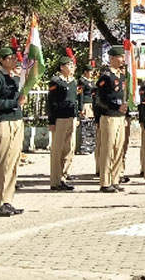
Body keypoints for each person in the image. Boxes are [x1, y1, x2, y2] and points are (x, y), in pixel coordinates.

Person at [0, 47, 25, 217]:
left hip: (16, 121)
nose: (13, 61)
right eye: (9, 58)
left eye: (14, 58)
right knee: (0, 163)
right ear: (1, 60)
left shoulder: (15, 78)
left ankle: (7, 199)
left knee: (13, 162)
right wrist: (14, 103)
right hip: (3, 122)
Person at [96, 46, 128, 192]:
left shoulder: (121, 76)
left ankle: (115, 179)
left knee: (118, 149)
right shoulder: (106, 76)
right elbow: (101, 98)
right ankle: (105, 182)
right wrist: (116, 106)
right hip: (109, 116)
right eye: (120, 57)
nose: (123, 59)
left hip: (120, 117)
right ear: (112, 58)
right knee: (108, 149)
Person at [47, 55, 78, 191]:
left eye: (72, 65)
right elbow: (51, 102)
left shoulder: (73, 82)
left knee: (69, 149)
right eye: (69, 65)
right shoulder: (56, 81)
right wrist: (51, 121)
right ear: (62, 67)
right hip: (59, 118)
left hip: (71, 118)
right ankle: (55, 180)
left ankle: (63, 176)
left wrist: (76, 116)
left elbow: (75, 100)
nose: (71, 68)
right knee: (57, 150)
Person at [76, 63, 96, 155]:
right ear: (85, 72)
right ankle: (83, 147)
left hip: (92, 105)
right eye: (90, 71)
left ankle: (90, 146)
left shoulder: (91, 81)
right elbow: (80, 94)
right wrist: (81, 108)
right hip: (85, 104)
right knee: (84, 125)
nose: (92, 73)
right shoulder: (81, 81)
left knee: (91, 126)